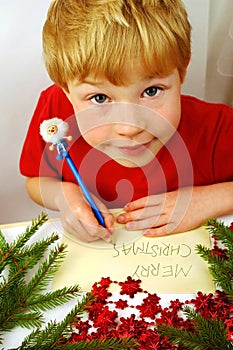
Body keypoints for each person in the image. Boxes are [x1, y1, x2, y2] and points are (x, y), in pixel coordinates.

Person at [20, 0, 233, 243]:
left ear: (182, 70)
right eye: (99, 98)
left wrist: (214, 198)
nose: (130, 127)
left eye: (152, 91)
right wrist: (63, 196)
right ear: (66, 91)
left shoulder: (216, 128)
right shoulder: (56, 114)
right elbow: (37, 180)